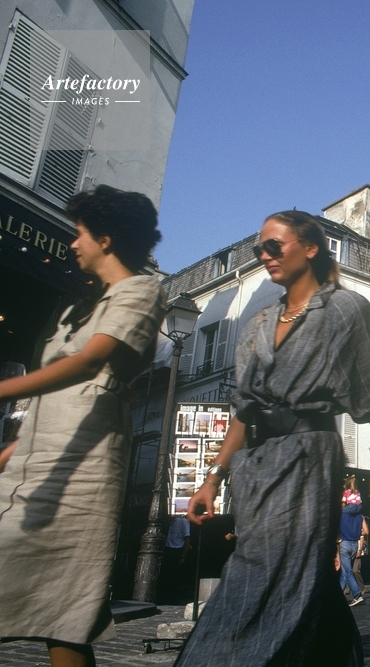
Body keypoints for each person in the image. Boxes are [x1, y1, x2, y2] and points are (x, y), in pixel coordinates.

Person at [177, 211, 370, 667]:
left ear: (310, 248)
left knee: (275, 575)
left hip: (309, 459)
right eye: (259, 249)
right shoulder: (257, 323)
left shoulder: (346, 310)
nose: (264, 255)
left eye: (274, 246)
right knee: (293, 579)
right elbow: (244, 412)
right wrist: (212, 478)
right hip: (255, 470)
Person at [0, 186, 166, 667]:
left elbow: (91, 362)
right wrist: (9, 454)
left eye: (80, 233)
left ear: (106, 238)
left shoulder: (141, 290)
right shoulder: (83, 307)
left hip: (84, 466)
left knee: (66, 607)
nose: (73, 243)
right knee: (55, 605)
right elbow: (52, 400)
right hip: (37, 462)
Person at [340, 501, 366, 606]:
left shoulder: (342, 514)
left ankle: (357, 594)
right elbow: (365, 531)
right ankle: (337, 595)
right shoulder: (360, 516)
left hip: (344, 543)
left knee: (347, 571)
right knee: (345, 572)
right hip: (354, 544)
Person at [163, 516, 193, 603]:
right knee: (170, 575)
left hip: (175, 549)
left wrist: (183, 555)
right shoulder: (176, 522)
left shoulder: (181, 521)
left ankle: (172, 597)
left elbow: (186, 539)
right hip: (172, 549)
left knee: (173, 575)